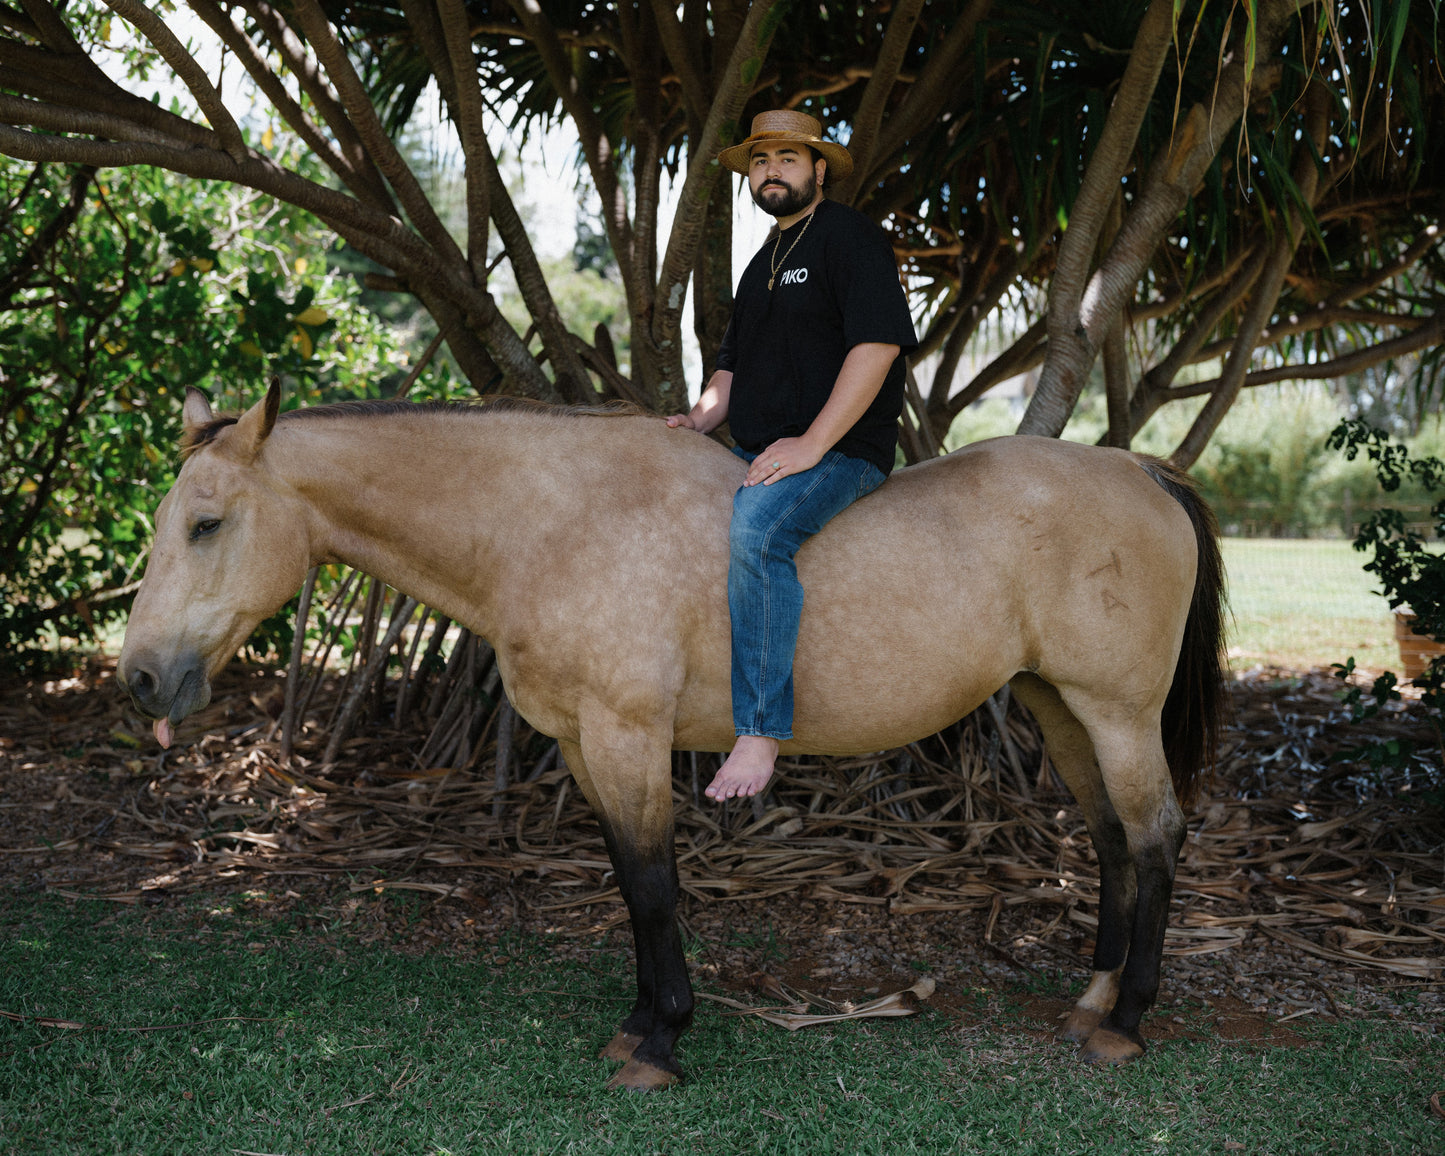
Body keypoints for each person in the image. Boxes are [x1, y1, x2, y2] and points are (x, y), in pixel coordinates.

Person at [667, 109, 918, 802]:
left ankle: (758, 730)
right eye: (759, 160)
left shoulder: (851, 238)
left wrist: (812, 444)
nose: (770, 170)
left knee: (757, 530)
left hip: (841, 450)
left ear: (818, 169)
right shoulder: (760, 266)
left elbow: (877, 345)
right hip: (757, 445)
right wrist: (696, 420)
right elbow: (730, 368)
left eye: (786, 157)